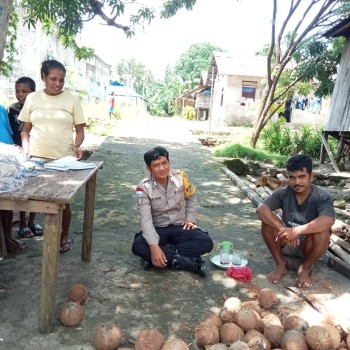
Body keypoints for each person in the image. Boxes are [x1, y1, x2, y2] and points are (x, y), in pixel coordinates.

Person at [19, 59, 86, 253]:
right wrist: (26, 148)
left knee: (62, 203)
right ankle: (26, 225)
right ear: (43, 77)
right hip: (35, 159)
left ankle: (63, 235)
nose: (58, 84)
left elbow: (80, 131)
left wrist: (76, 146)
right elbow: (25, 130)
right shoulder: (32, 98)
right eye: (53, 79)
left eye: (62, 80)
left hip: (63, 161)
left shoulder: (72, 100)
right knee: (28, 198)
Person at [131, 146, 213, 277]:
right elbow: (145, 219)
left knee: (206, 242)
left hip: (179, 226)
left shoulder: (181, 176)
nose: (162, 168)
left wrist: (190, 219)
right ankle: (189, 262)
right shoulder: (143, 187)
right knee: (138, 246)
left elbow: (191, 197)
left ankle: (158, 258)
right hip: (158, 229)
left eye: (164, 163)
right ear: (148, 168)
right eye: (156, 165)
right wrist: (153, 246)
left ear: (169, 162)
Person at [256, 154, 335, 288]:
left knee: (323, 231)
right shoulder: (284, 192)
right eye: (292, 177)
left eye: (301, 177)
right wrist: (282, 229)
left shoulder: (322, 196)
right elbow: (261, 209)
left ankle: (304, 268)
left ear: (311, 176)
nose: (296, 182)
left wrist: (296, 231)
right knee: (268, 222)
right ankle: (281, 265)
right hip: (287, 242)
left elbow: (328, 220)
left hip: (308, 246)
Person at [8, 76, 43, 238]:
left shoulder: (39, 109)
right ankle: (22, 222)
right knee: (22, 189)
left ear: (32, 93)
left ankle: (32, 221)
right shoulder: (13, 109)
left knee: (36, 188)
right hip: (18, 154)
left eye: (24, 91)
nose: (20, 95)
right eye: (17, 91)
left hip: (36, 153)